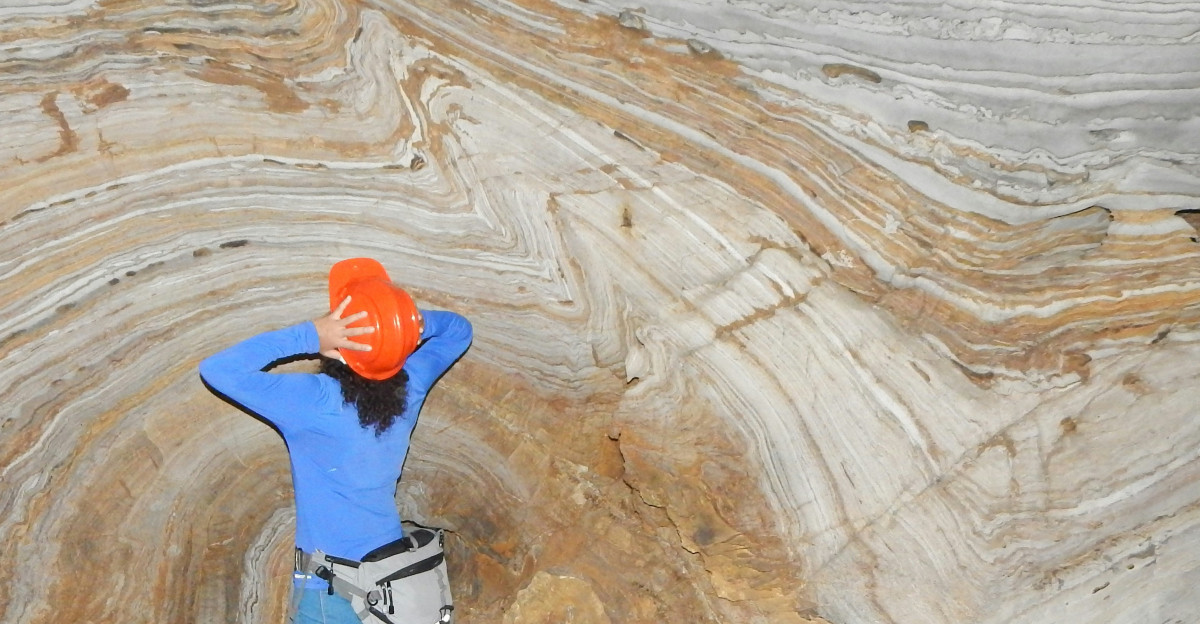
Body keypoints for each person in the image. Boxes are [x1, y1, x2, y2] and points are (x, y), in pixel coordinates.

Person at [199, 293, 473, 623]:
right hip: (395, 580)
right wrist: (404, 323)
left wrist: (312, 334)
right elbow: (459, 330)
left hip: (332, 594)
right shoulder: (408, 389)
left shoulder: (316, 401)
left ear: (341, 348)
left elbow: (218, 369)